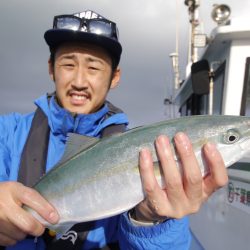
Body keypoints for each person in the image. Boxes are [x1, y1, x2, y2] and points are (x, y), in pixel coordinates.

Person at [0, 10, 228, 250]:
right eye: (68, 64)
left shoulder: (143, 150)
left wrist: (153, 220)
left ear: (115, 76)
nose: (79, 81)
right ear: (51, 68)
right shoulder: (7, 133)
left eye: (93, 68)